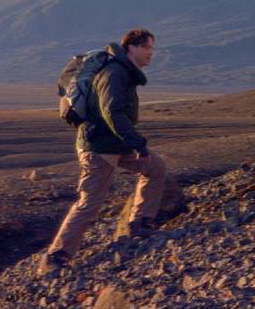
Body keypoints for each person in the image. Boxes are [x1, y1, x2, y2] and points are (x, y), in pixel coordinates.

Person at [39, 28, 167, 275]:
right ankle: (56, 256)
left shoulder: (121, 71)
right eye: (148, 47)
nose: (151, 53)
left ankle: (140, 223)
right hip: (99, 148)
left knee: (155, 167)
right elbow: (111, 111)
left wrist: (132, 144)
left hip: (115, 145)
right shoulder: (115, 72)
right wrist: (137, 142)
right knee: (89, 202)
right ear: (132, 48)